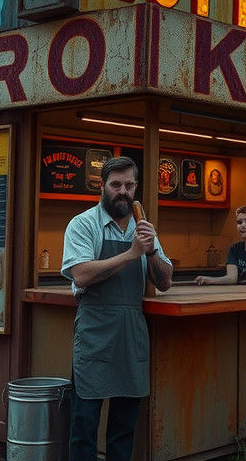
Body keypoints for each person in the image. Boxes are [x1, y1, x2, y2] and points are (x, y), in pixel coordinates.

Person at [62, 156, 173, 461]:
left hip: (131, 329)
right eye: (115, 185)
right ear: (102, 186)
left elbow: (165, 282)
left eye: (129, 185)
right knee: (84, 421)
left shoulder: (144, 228)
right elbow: (81, 274)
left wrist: (149, 252)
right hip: (95, 328)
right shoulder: (83, 224)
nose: (122, 191)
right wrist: (131, 253)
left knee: (124, 424)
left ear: (136, 187)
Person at [195, 205, 246, 285]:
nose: (242, 225)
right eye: (239, 222)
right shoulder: (235, 249)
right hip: (239, 293)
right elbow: (232, 278)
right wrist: (210, 280)